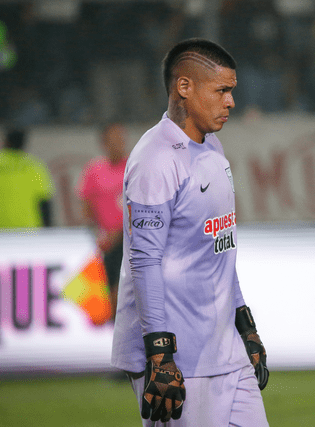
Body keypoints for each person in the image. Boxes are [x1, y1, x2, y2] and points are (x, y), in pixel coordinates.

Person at [111, 38, 269, 427]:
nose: (231, 102)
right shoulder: (155, 159)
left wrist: (244, 325)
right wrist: (160, 355)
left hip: (225, 351)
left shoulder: (213, 147)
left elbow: (220, 247)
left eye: (231, 91)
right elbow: (144, 261)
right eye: (222, 91)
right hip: (179, 358)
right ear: (185, 87)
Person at [76, 122, 128, 321]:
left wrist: (120, 231)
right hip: (107, 242)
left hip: (131, 239)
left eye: (121, 139)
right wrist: (98, 233)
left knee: (125, 288)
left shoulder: (133, 167)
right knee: (109, 290)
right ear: (104, 143)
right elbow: (86, 206)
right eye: (114, 139)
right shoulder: (94, 170)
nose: (119, 144)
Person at [0, 128, 54, 229]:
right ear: (24, 143)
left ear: (5, 141)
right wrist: (48, 230)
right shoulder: (35, 166)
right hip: (29, 230)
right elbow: (44, 204)